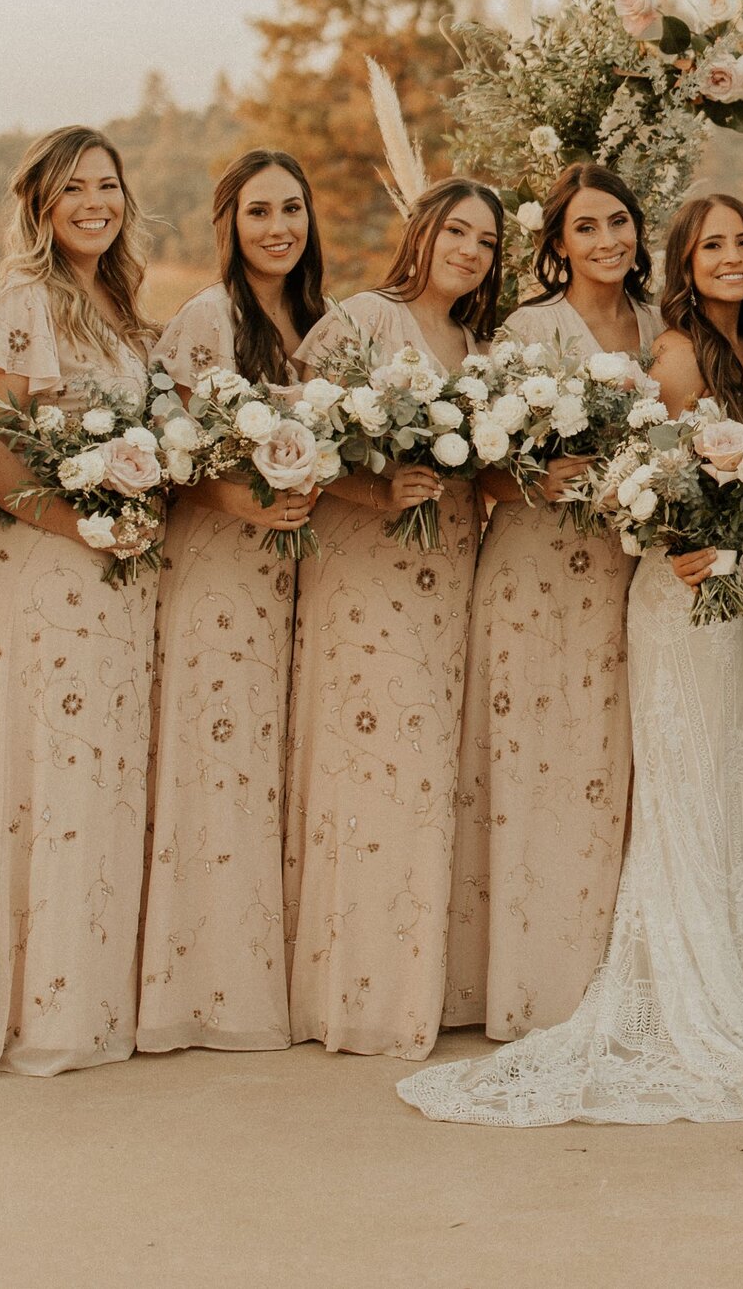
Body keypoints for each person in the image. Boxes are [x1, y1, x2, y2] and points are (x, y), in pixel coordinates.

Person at [399, 193, 743, 1125]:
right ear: (684, 261)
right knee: (685, 781)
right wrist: (702, 534)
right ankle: (684, 983)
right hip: (688, 591)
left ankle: (729, 965)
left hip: (741, 597)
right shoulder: (677, 352)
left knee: (729, 771)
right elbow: (660, 472)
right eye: (711, 245)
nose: (731, 256)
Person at [0, 126, 162, 1079]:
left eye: (107, 186)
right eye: (73, 189)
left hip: (117, 580)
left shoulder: (114, 306)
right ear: (39, 204)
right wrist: (69, 520)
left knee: (96, 779)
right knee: (40, 775)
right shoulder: (18, 304)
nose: (94, 204)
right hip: (41, 571)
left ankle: (85, 1001)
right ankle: (30, 1009)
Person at [286, 178, 501, 1058]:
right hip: (365, 570)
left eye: (487, 241)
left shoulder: (481, 346)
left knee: (427, 771)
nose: (470, 250)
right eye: (456, 230)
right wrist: (376, 490)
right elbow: (291, 448)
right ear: (422, 231)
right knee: (371, 760)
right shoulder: (358, 322)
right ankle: (354, 997)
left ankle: (420, 983)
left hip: (450, 565)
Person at [466, 162, 661, 1040]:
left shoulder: (662, 325)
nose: (607, 240)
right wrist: (544, 476)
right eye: (585, 228)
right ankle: (528, 983)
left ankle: (608, 974)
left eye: (618, 221)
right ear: (557, 244)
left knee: (608, 769)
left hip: (626, 576)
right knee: (531, 770)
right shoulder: (527, 330)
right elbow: (483, 474)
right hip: (534, 573)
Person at [135, 151, 323, 1053]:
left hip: (296, 576)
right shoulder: (209, 319)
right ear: (230, 226)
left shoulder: (320, 321)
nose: (277, 227)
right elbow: (172, 455)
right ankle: (201, 989)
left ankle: (267, 970)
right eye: (258, 212)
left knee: (269, 772)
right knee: (216, 765)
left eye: (291, 208)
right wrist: (240, 500)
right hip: (217, 570)